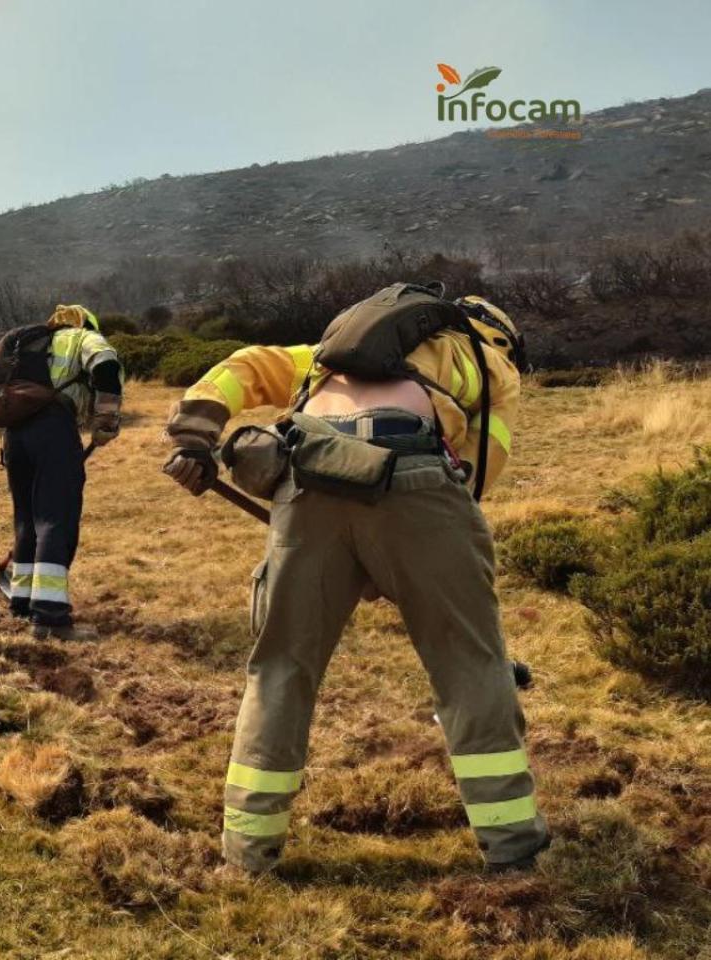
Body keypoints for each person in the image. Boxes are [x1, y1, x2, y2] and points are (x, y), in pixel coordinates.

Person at [162, 290, 549, 874]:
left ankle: (246, 855)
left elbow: (243, 365)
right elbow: (473, 478)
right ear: (503, 339)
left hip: (308, 472)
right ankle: (513, 850)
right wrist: (400, 558)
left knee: (281, 669)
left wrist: (195, 431)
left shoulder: (334, 353)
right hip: (415, 478)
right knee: (469, 664)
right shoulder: (487, 361)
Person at [1, 304, 123, 641]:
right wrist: (106, 419)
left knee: (27, 519)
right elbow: (106, 364)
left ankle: (22, 603)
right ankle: (50, 618)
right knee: (55, 519)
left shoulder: (28, 348)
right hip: (53, 429)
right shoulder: (83, 338)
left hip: (14, 436)